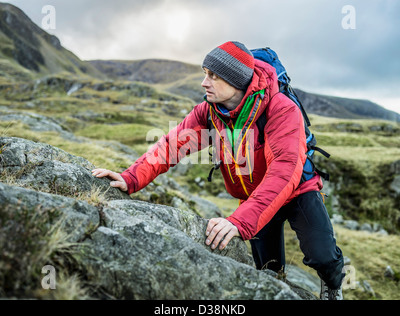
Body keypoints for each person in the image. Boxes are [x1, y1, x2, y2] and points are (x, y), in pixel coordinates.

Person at [92, 41, 345, 300]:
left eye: (213, 75)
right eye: (204, 73)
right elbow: (172, 145)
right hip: (254, 195)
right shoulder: (210, 112)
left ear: (236, 81)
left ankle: (333, 287)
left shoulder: (281, 109)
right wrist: (130, 177)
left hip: (297, 190)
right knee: (268, 269)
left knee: (323, 256)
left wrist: (240, 221)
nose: (204, 82)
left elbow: (284, 171)